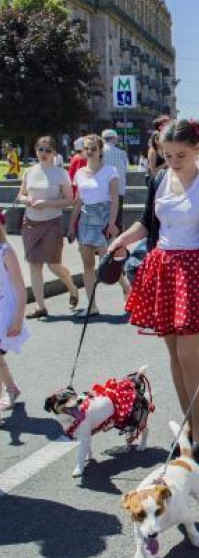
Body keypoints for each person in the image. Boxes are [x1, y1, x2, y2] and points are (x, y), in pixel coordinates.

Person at [109, 119, 199, 463]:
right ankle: (191, 425)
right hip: (161, 269)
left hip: (195, 271)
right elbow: (148, 221)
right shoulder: (160, 178)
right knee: (173, 356)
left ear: (197, 149)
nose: (173, 161)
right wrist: (123, 238)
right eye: (167, 154)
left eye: (180, 155)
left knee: (187, 355)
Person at [17, 136, 77, 319]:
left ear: (54, 152)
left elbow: (70, 200)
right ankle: (40, 306)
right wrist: (26, 199)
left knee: (53, 264)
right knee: (34, 265)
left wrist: (46, 203)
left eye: (47, 150)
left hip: (52, 222)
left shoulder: (60, 173)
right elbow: (21, 194)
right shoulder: (30, 171)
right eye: (40, 149)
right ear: (35, 150)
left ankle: (72, 286)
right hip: (30, 222)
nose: (43, 153)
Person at [68, 135, 120, 317]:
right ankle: (92, 306)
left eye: (93, 148)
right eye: (86, 148)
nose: (89, 151)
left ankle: (127, 288)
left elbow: (114, 200)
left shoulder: (110, 171)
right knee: (88, 265)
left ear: (100, 151)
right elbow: (77, 202)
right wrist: (71, 226)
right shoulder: (80, 173)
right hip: (85, 220)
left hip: (104, 219)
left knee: (108, 264)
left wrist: (112, 223)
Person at [0, 219, 28, 414]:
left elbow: (20, 288)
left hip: (5, 311)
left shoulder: (5, 252)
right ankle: (11, 387)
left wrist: (18, 319)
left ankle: (9, 389)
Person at [101, 129, 132, 298]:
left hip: (103, 194)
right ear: (114, 139)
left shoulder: (101, 153)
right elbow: (125, 170)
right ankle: (117, 246)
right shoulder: (120, 153)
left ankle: (110, 246)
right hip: (119, 192)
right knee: (117, 224)